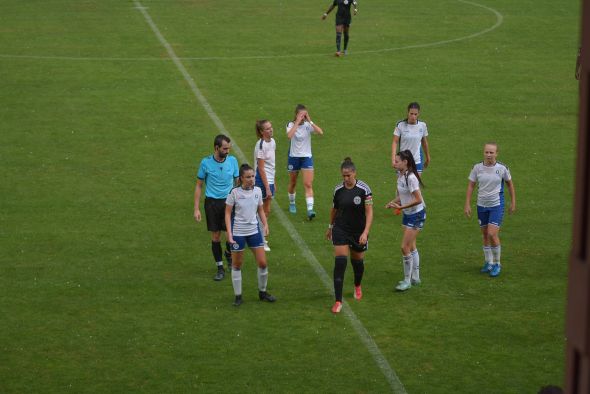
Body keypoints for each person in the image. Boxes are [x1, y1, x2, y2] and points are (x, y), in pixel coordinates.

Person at [225, 164, 277, 306]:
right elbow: (228, 213)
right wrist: (229, 234)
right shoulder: (234, 193)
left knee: (262, 263)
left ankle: (262, 292)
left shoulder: (258, 191)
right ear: (241, 178)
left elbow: (260, 209)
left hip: (254, 231)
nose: (251, 179)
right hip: (238, 233)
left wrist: (265, 224)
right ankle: (238, 296)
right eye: (248, 177)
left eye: (253, 176)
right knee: (237, 265)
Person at [326, 157, 373, 313]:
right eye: (343, 176)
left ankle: (357, 285)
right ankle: (338, 301)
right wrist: (330, 226)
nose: (346, 179)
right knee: (340, 263)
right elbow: (334, 209)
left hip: (358, 231)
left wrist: (365, 232)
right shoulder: (338, 190)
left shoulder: (364, 189)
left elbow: (369, 212)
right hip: (341, 229)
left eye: (348, 175)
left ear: (354, 173)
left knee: (357, 262)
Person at [464, 142, 516, 277]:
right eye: (486, 152)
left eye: (491, 152)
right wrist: (467, 204)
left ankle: (497, 263)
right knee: (485, 234)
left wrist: (513, 202)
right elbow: (471, 186)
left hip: (496, 205)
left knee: (492, 233)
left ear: (496, 153)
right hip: (481, 205)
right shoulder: (477, 168)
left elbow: (510, 185)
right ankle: (488, 262)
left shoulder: (502, 168)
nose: (488, 155)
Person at [194, 134, 239, 281]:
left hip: (228, 202)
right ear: (216, 148)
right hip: (212, 203)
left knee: (230, 235)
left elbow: (237, 183)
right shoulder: (205, 163)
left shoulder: (232, 161)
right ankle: (220, 268)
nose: (228, 151)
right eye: (225, 149)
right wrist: (196, 208)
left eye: (229, 148)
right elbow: (199, 186)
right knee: (215, 236)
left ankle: (228, 253)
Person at [386, 150, 426, 291]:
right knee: (411, 246)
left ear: (405, 162)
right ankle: (415, 277)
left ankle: (407, 281)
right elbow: (404, 194)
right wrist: (393, 202)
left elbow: (418, 199)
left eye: (397, 161)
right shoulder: (401, 175)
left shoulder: (411, 178)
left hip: (416, 214)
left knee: (404, 247)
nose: (394, 163)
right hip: (408, 214)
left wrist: (401, 206)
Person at [286, 104, 324, 220]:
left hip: (306, 157)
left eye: (305, 115)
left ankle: (310, 210)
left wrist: (310, 121)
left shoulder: (308, 125)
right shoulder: (290, 125)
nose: (303, 117)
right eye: (301, 115)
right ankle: (292, 203)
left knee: (308, 184)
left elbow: (320, 132)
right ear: (296, 114)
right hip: (294, 157)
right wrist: (297, 122)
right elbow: (289, 136)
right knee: (293, 182)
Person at [254, 120, 276, 252]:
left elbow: (272, 165)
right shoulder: (261, 145)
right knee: (261, 210)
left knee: (266, 211)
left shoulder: (272, 142)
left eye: (271, 127)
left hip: (269, 180)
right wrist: (267, 187)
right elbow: (261, 168)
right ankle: (261, 240)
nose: (270, 130)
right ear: (262, 132)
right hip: (261, 181)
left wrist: (274, 183)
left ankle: (258, 235)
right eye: (267, 129)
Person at [391, 102, 431, 175]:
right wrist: (393, 159)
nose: (413, 116)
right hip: (402, 161)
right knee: (401, 185)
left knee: (415, 186)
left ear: (418, 114)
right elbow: (395, 142)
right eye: (411, 114)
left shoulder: (422, 125)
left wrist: (428, 157)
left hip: (416, 161)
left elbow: (424, 142)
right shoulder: (400, 125)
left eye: (415, 114)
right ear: (407, 113)